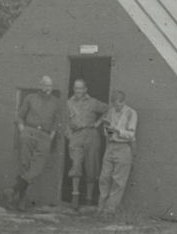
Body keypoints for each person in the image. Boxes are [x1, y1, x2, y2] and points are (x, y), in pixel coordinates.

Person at [11, 75, 62, 211]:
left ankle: (13, 190)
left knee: (37, 167)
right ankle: (21, 201)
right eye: (45, 85)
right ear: (40, 86)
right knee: (25, 164)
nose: (48, 88)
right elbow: (20, 116)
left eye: (50, 86)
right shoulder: (30, 98)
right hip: (29, 132)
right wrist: (23, 131)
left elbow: (57, 122)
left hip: (45, 135)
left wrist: (50, 137)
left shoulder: (55, 102)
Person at [65, 79, 108, 211]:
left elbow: (108, 109)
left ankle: (89, 198)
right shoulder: (69, 103)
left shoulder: (93, 102)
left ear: (85, 89)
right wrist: (69, 135)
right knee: (76, 164)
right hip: (76, 135)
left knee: (91, 166)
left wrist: (98, 123)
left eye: (80, 88)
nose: (78, 91)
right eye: (76, 88)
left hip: (91, 134)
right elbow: (65, 120)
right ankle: (75, 196)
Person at [97, 90, 138, 214]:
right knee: (104, 177)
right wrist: (110, 133)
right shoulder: (111, 111)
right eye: (115, 104)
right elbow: (106, 130)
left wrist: (118, 131)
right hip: (111, 146)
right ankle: (100, 207)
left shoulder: (131, 113)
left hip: (123, 146)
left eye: (119, 104)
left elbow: (131, 134)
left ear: (124, 102)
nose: (117, 107)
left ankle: (110, 210)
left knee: (118, 180)